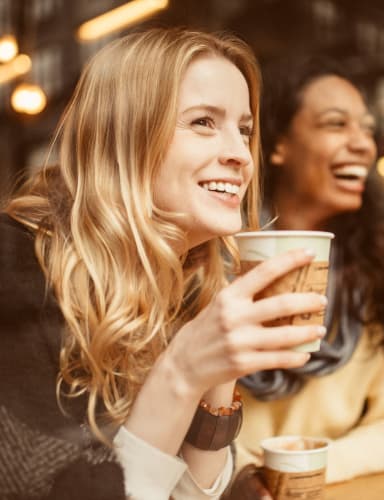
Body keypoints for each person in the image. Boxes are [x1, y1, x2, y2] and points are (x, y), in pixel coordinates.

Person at [0, 29, 329, 500]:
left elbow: (190, 495)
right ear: (126, 138)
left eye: (244, 129)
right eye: (202, 123)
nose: (240, 155)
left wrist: (220, 376)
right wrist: (182, 371)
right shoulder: (17, 269)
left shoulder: (184, 277)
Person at [227, 53, 384, 496]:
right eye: (337, 124)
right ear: (279, 143)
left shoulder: (378, 274)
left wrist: (291, 470)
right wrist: (234, 475)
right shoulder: (212, 262)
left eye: (367, 128)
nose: (364, 144)